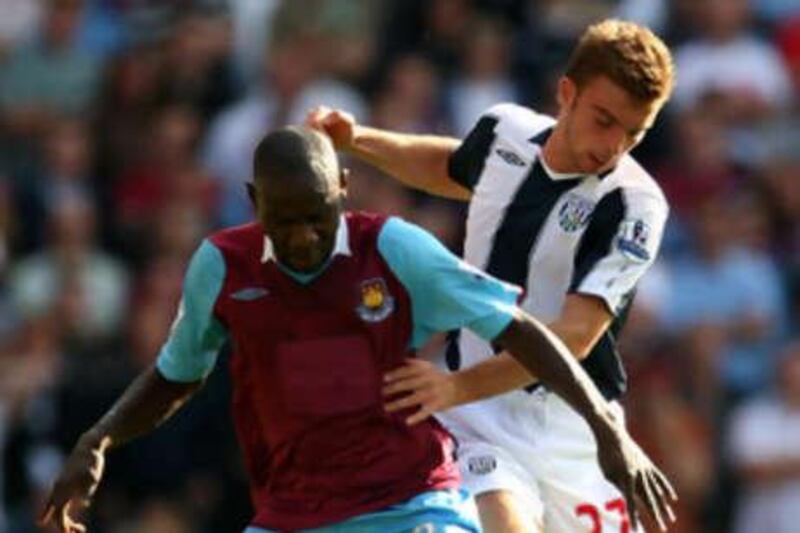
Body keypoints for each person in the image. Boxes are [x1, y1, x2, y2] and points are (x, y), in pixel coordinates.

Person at [39, 127, 674, 533]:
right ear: (252, 200)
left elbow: (522, 331)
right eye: (284, 221)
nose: (303, 238)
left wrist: (605, 428)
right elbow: (176, 375)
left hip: (411, 504)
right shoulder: (221, 266)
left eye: (317, 217)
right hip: (291, 514)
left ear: (343, 189)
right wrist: (99, 437)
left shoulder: (396, 250)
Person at [307, 18, 676, 533]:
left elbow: (574, 337)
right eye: (604, 120)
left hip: (572, 427)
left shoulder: (634, 206)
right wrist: (359, 139)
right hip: (480, 415)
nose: (613, 145)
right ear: (566, 93)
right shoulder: (507, 131)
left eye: (633, 133)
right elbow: (452, 167)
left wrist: (455, 386)